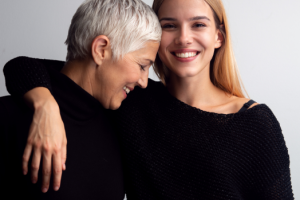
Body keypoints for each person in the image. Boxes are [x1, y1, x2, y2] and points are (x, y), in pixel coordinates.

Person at [3, 0, 294, 199]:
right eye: (169, 25)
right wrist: (45, 105)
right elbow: (31, 67)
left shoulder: (255, 123)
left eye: (198, 25)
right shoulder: (131, 100)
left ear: (219, 36)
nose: (183, 38)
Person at [0, 0, 160, 199]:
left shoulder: (120, 120)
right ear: (101, 49)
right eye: (143, 66)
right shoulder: (8, 117)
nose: (144, 82)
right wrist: (44, 105)